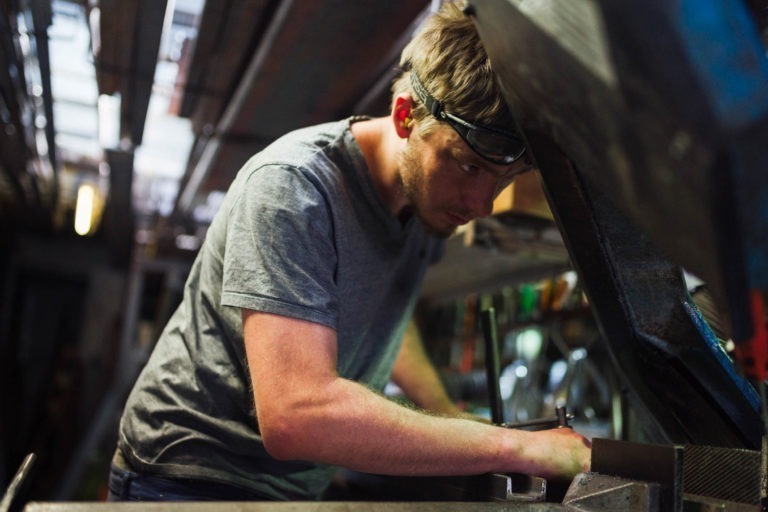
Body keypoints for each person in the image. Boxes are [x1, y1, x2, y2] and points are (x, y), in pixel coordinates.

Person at [108, 1, 591, 502]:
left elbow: (382, 322)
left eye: (504, 179)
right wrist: (516, 447)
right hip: (189, 475)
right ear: (406, 116)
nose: (482, 204)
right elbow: (297, 415)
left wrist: (450, 416)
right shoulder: (294, 190)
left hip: (286, 487)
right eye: (469, 166)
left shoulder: (428, 205)